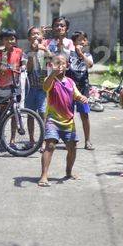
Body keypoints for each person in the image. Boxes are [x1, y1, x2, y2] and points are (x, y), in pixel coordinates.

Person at [38, 53, 88, 187]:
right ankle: (44, 175)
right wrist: (52, 74)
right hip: (52, 120)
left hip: (68, 121)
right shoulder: (51, 80)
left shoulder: (71, 82)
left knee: (72, 148)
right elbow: (45, 87)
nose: (60, 65)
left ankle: (68, 172)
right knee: (50, 146)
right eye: (57, 63)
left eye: (63, 63)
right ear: (51, 65)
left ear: (68, 65)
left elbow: (76, 95)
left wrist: (82, 97)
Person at [0, 28, 26, 146]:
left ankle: (12, 139)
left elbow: (23, 63)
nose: (10, 41)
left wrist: (23, 67)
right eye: (6, 39)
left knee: (15, 112)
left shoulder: (19, 52)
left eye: (12, 39)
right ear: (2, 41)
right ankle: (2, 139)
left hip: (16, 86)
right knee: (3, 113)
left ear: (16, 40)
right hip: (3, 87)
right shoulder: (0, 54)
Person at [66, 31, 95, 150]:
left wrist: (81, 54)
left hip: (83, 87)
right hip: (70, 87)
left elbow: (90, 65)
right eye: (79, 40)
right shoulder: (69, 54)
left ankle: (87, 140)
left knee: (84, 114)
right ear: (73, 42)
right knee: (68, 114)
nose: (82, 42)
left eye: (84, 39)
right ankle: (70, 138)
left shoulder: (88, 55)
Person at [24, 26, 50, 144]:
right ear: (29, 38)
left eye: (38, 34)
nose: (35, 36)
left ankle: (43, 140)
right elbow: (28, 69)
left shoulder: (45, 50)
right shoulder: (26, 53)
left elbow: (54, 61)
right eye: (33, 34)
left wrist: (44, 49)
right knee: (30, 114)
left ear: (42, 37)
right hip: (31, 88)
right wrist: (33, 53)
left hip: (43, 88)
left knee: (43, 113)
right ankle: (31, 139)